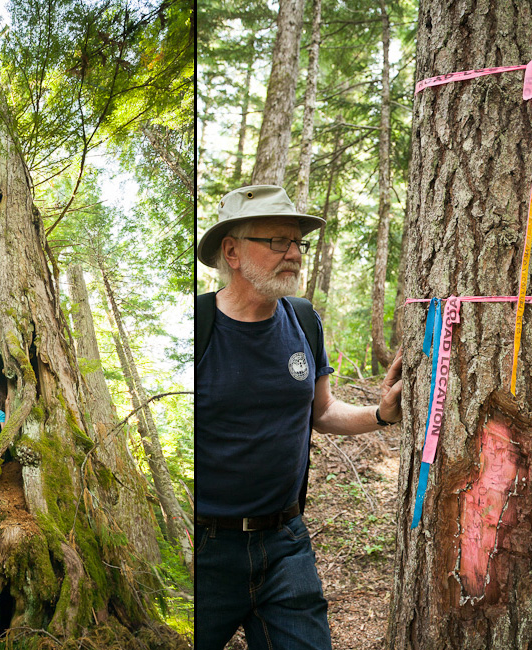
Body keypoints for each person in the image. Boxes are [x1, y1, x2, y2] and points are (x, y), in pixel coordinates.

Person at [195, 184, 403, 650]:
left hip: (286, 544)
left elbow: (323, 411)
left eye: (298, 243)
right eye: (277, 241)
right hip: (206, 549)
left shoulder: (304, 320)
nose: (294, 253)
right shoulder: (199, 326)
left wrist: (381, 414)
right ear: (231, 251)